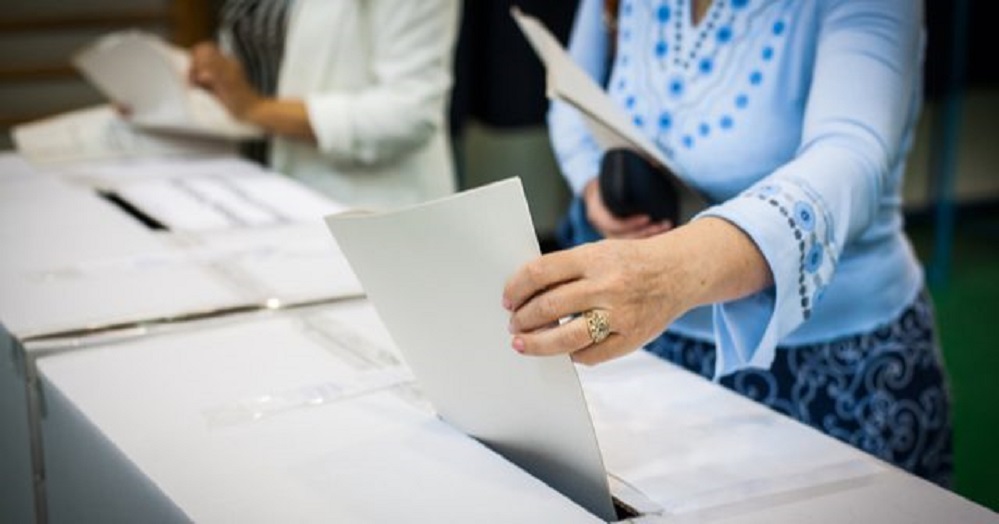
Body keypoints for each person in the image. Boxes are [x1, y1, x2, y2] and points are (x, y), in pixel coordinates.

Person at [503, 0, 953, 487]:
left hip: (833, 369)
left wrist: (667, 273)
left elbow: (851, 156)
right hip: (653, 349)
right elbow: (572, 88)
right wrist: (595, 186)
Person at [187, 0, 460, 209]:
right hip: (251, 187)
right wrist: (219, 67)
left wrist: (255, 109)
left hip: (360, 203)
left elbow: (409, 113)